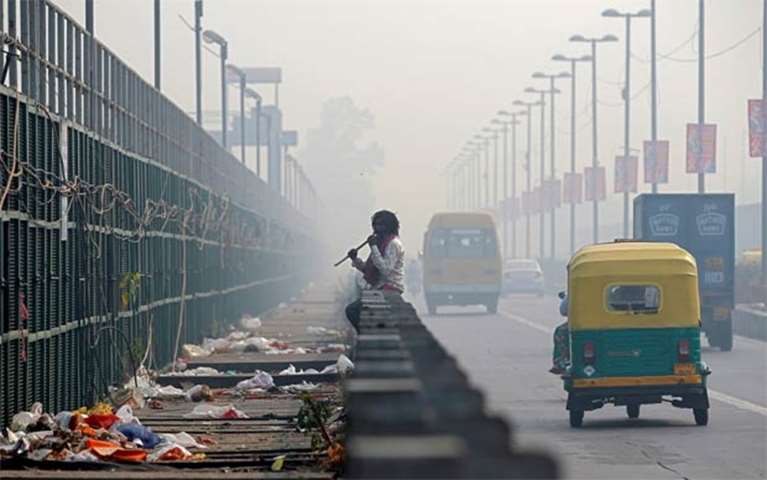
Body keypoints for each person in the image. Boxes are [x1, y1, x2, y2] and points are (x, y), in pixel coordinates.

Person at [344, 210, 405, 332]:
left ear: (389, 227)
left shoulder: (393, 244)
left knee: (353, 310)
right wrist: (355, 259)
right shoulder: (380, 244)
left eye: (381, 225)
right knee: (353, 311)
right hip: (379, 288)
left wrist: (373, 247)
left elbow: (386, 269)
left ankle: (366, 335)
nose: (377, 229)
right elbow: (368, 269)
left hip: (390, 288)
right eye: (376, 225)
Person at [550, 291, 570, 374]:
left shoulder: (580, 287)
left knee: (560, 331)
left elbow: (564, 310)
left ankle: (560, 362)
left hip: (581, 324)